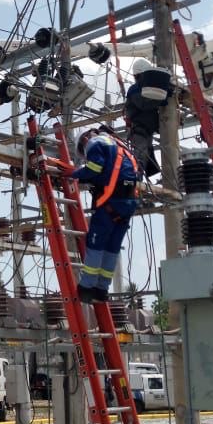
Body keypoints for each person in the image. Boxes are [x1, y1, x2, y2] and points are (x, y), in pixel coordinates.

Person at [72, 128, 139, 303]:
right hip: (127, 205)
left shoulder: (95, 143)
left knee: (96, 244)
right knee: (112, 248)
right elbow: (109, 171)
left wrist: (75, 175)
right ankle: (102, 289)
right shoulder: (120, 146)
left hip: (110, 204)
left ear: (85, 139)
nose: (84, 155)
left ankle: (86, 288)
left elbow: (95, 167)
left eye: (82, 150)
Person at [124, 58, 172, 178]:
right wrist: (162, 98)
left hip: (147, 129)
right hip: (139, 129)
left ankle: (139, 177)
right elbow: (144, 105)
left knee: (147, 155)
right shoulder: (134, 89)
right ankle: (134, 178)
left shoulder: (148, 90)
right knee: (141, 155)